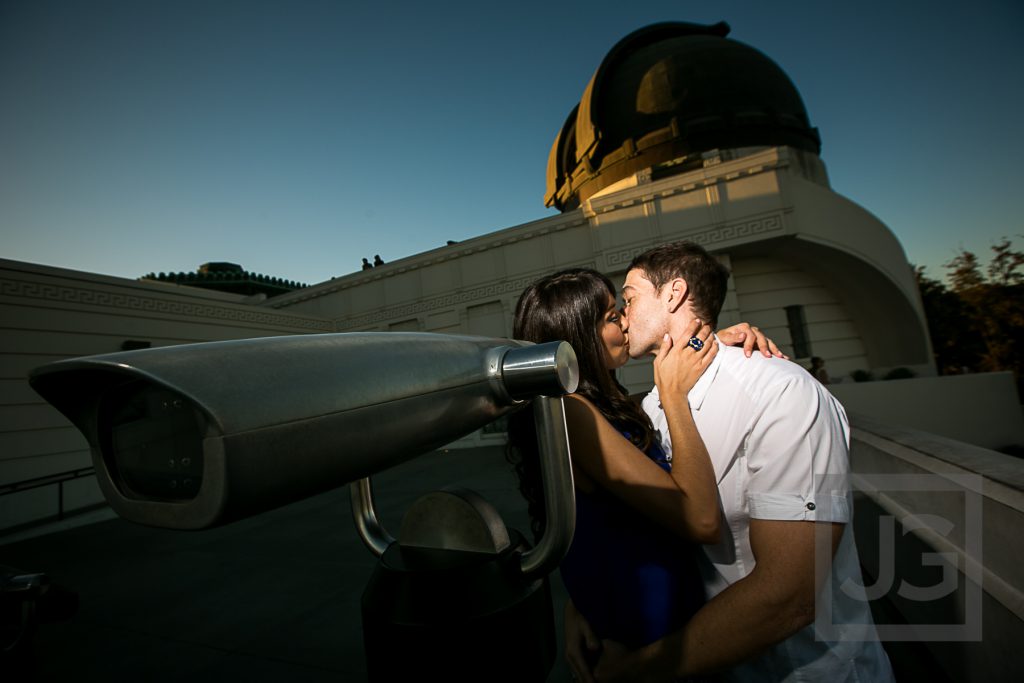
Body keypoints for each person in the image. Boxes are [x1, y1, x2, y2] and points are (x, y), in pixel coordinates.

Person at [566, 241, 894, 682]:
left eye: (629, 299)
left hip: (807, 670)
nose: (622, 318)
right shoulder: (652, 409)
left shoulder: (781, 393)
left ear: (674, 293)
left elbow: (791, 596)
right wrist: (582, 604)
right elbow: (621, 524)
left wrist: (634, 673)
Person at [506, 268, 781, 659]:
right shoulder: (572, 412)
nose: (625, 321)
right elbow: (701, 519)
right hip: (646, 634)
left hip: (648, 623)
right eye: (610, 317)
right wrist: (674, 396)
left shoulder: (587, 406)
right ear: (577, 339)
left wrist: (710, 343)